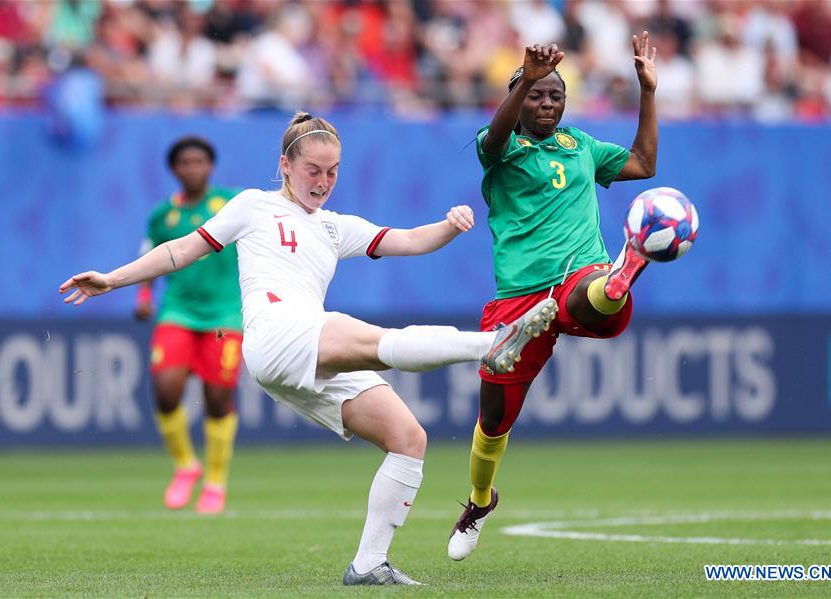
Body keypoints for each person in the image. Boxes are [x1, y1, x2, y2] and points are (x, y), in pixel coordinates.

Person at [60, 112, 558, 586]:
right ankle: (490, 342)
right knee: (375, 341)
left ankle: (369, 565)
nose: (323, 181)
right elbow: (180, 249)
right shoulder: (253, 206)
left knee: (408, 439)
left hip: (304, 348)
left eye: (333, 171)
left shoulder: (334, 226)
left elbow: (407, 240)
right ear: (285, 164)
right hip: (276, 332)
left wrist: (450, 225)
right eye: (313, 170)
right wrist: (113, 279)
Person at [447, 33, 659, 561]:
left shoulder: (580, 145)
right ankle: (479, 501)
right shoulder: (499, 146)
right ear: (518, 99)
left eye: (556, 96)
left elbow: (643, 163)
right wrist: (524, 77)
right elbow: (495, 139)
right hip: (519, 298)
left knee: (594, 299)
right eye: (537, 95)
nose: (547, 104)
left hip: (576, 274)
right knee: (494, 419)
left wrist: (648, 91)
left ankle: (619, 275)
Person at [135, 136, 243, 515]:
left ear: (210, 166)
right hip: (178, 311)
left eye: (199, 161)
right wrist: (143, 296)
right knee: (166, 390)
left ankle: (215, 481)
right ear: (174, 169)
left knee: (217, 399)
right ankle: (185, 465)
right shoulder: (162, 216)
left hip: (225, 315)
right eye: (185, 162)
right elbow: (150, 258)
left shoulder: (230, 204)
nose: (193, 168)